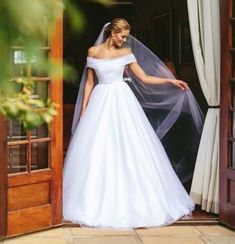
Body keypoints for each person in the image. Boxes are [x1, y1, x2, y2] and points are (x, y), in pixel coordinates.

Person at [63, 18, 204, 229]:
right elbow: (90, 83)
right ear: (113, 33)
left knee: (132, 146)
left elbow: (145, 78)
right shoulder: (93, 52)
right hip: (100, 102)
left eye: (126, 36)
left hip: (123, 101)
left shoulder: (126, 53)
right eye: (122, 35)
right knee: (97, 148)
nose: (124, 39)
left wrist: (171, 81)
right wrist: (83, 109)